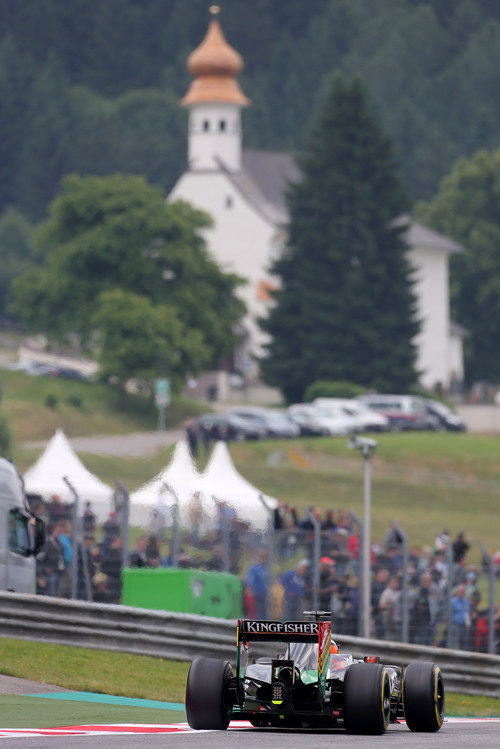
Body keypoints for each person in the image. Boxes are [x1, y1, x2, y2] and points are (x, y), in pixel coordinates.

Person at [245, 548, 269, 619]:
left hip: (264, 593)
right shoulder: (255, 568)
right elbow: (250, 580)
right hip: (257, 593)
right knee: (258, 611)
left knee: (263, 611)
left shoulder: (265, 567)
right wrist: (250, 588)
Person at [449, 583, 470, 650]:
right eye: (460, 591)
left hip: (464, 626)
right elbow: (449, 614)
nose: (462, 593)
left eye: (463, 591)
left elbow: (467, 613)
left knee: (464, 645)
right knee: (452, 643)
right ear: (457, 592)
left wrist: (468, 624)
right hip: (455, 625)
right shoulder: (453, 601)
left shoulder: (466, 602)